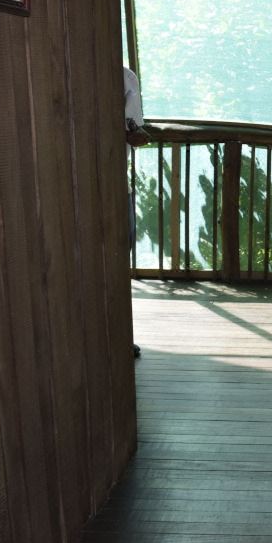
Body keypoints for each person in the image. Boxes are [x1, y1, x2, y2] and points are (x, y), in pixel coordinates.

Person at [124, 67, 150, 358]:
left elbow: (135, 131)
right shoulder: (124, 78)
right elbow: (136, 133)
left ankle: (117, 332)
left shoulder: (125, 78)